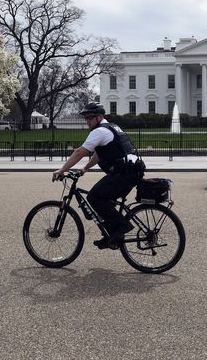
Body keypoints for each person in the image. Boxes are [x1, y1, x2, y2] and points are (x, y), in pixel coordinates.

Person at [52, 102, 145, 250]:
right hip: (133, 170)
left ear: (99, 117)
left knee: (94, 197)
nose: (87, 121)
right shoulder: (111, 127)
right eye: (86, 118)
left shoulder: (99, 131)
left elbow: (79, 152)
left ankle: (120, 228)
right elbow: (99, 154)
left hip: (124, 173)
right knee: (105, 199)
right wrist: (84, 168)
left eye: (90, 118)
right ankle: (111, 235)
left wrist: (62, 170)